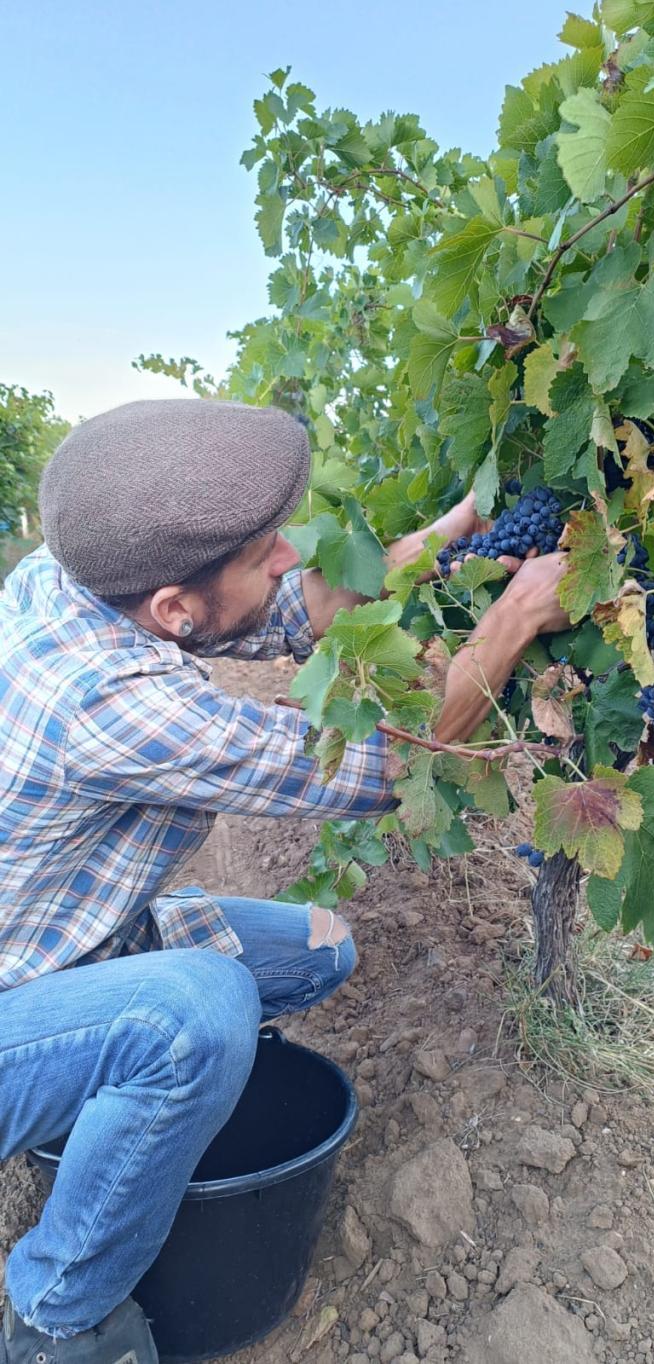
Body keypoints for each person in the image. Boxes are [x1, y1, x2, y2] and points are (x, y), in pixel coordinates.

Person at [0, 400, 568, 1363]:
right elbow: (389, 765)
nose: (286, 557)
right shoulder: (114, 704)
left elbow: (287, 612)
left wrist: (458, 527)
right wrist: (511, 619)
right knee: (198, 1014)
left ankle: (153, 1108)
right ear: (174, 608)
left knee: (316, 945)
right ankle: (56, 1310)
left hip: (72, 941)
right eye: (263, 549)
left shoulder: (82, 572)